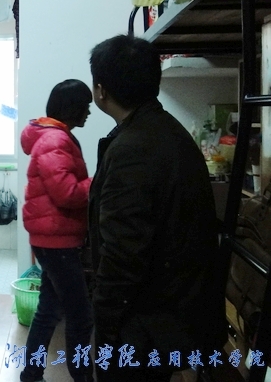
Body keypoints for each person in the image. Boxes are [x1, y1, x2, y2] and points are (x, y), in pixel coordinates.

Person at [88, 35, 226, 382]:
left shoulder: (132, 149)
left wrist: (104, 329)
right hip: (171, 314)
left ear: (101, 91)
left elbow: (122, 254)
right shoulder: (166, 131)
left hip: (145, 324)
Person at [19, 79, 94, 382]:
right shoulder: (56, 140)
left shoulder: (54, 136)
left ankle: (31, 374)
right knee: (80, 315)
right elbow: (68, 193)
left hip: (52, 239)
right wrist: (98, 182)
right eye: (85, 106)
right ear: (72, 108)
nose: (89, 112)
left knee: (49, 311)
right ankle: (82, 376)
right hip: (57, 242)